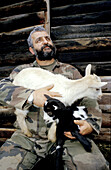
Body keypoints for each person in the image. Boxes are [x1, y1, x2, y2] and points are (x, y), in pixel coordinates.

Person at [0, 26, 109, 170]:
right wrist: (31, 96)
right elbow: (2, 88)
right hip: (28, 136)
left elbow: (89, 100)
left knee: (96, 167)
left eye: (48, 38)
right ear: (32, 50)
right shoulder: (22, 71)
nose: (45, 42)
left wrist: (90, 124)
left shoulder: (70, 71)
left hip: (65, 134)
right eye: (39, 40)